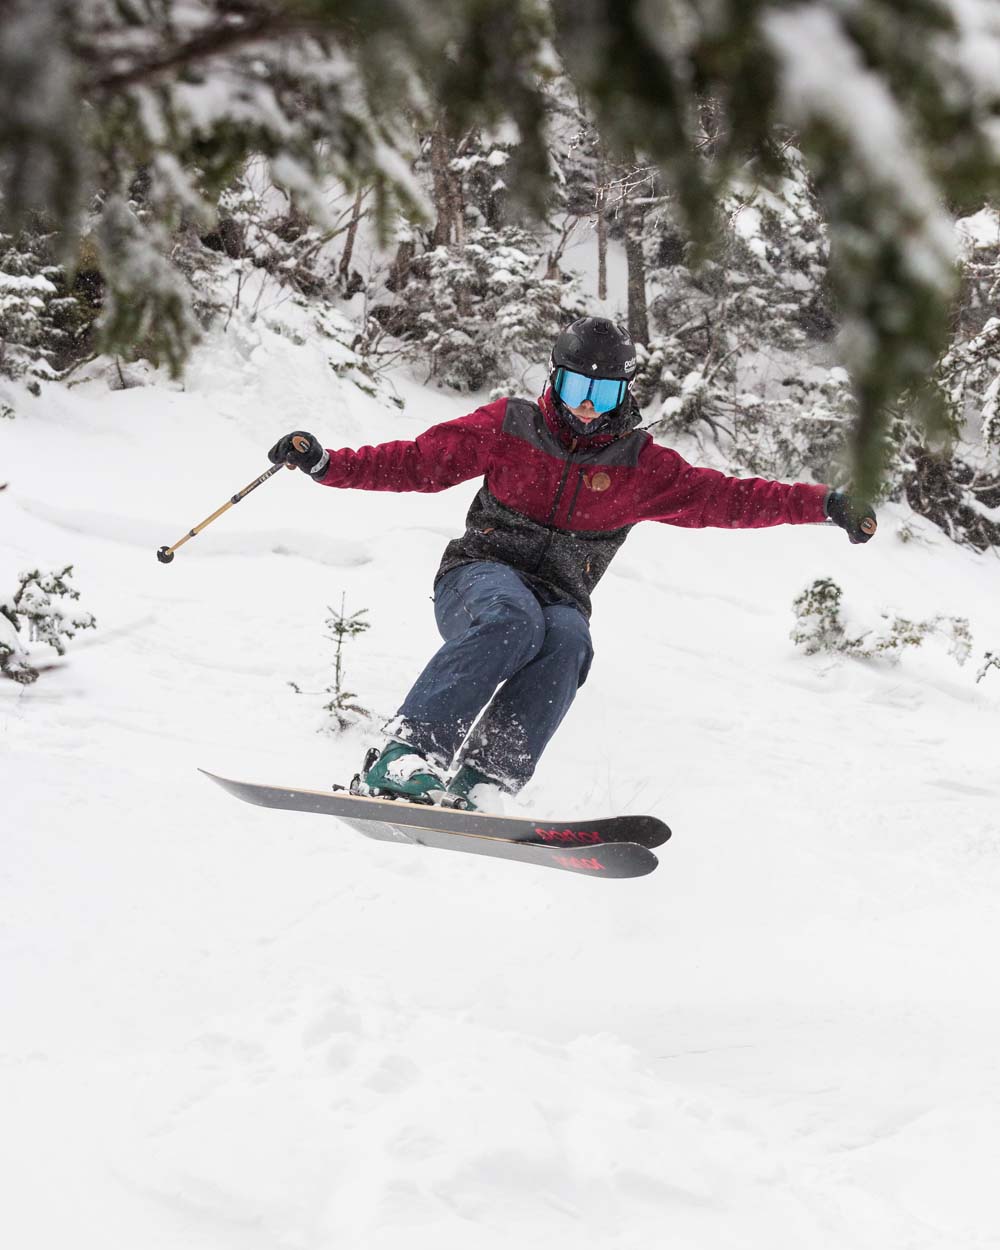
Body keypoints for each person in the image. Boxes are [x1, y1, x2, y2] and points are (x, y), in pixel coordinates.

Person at [269, 316, 876, 810]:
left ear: (624, 392)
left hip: (560, 596)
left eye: (604, 392)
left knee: (566, 638)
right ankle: (405, 755)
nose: (588, 405)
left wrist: (824, 504)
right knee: (513, 618)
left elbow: (732, 498)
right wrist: (328, 464)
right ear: (554, 380)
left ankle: (485, 778)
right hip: (478, 576)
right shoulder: (511, 426)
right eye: (577, 388)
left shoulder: (640, 466)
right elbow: (417, 463)